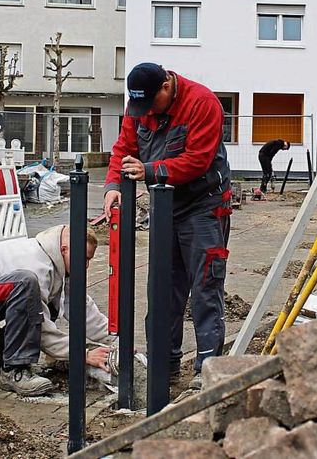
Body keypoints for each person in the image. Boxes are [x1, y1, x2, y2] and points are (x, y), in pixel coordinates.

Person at [103, 62, 232, 389]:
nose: (145, 114)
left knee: (204, 289)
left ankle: (208, 371)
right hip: (165, 208)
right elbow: (124, 149)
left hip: (205, 206)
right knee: (162, 291)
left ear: (166, 86)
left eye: (150, 105)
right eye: (139, 108)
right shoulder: (140, 107)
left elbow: (197, 161)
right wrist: (113, 185)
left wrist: (148, 170)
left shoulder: (202, 103)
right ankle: (164, 368)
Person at [0, 224, 111, 397]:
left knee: (48, 303)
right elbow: (41, 324)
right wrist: (82, 354)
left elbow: (80, 306)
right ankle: (14, 370)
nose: (87, 265)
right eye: (84, 259)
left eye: (89, 259)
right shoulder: (35, 262)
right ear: (64, 249)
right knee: (26, 286)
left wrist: (116, 337)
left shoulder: (58, 263)